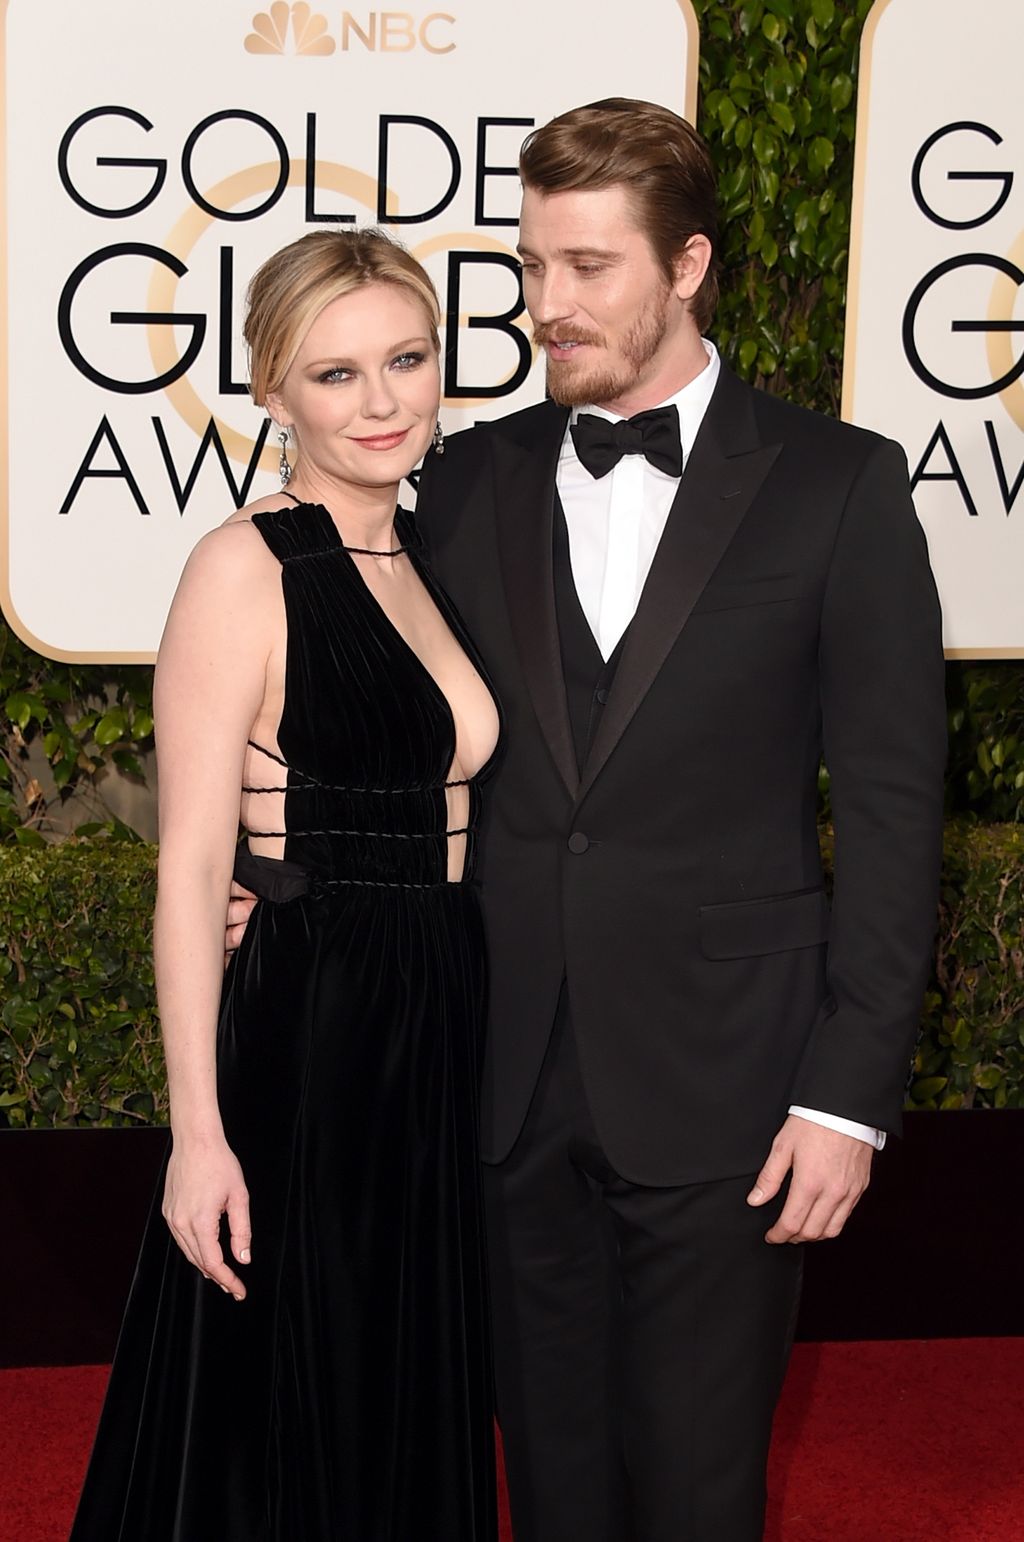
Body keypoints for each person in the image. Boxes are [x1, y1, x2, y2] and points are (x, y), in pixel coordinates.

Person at [229, 101, 946, 1540]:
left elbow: (890, 805)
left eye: (588, 268)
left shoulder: (839, 485)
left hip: (735, 1085)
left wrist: (848, 1092)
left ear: (687, 265)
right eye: (529, 267)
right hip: (498, 1076)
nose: (547, 306)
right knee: (547, 1489)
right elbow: (375, 714)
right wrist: (274, 876)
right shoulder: (468, 476)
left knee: (695, 1489)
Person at [71, 229, 499, 1542]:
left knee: (404, 1362)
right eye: (336, 373)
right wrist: (197, 1133)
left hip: (438, 1008)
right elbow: (195, 867)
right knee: (296, 1375)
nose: (382, 402)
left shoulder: (439, 551)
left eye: (407, 359)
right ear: (271, 389)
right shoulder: (244, 570)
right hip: (318, 1027)